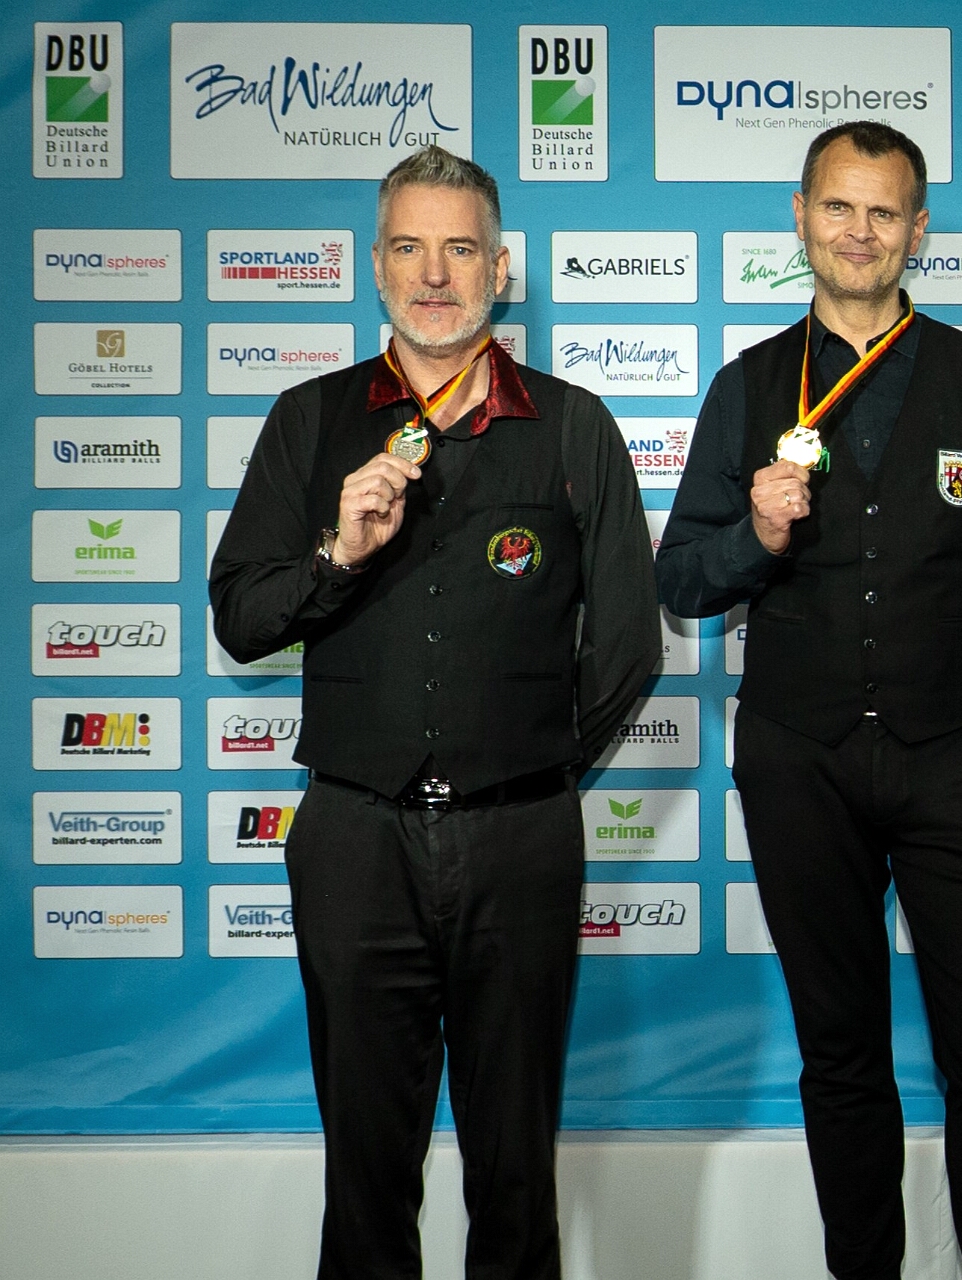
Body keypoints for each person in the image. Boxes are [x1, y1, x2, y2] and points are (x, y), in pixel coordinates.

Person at [657, 121, 962, 1280]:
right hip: (797, 762)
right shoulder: (747, 384)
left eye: (885, 211)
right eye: (839, 207)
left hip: (958, 757)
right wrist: (754, 536)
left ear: (919, 229)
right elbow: (682, 580)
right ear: (801, 217)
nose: (860, 231)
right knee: (840, 1054)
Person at [210, 146, 659, 1280]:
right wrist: (337, 554)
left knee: (516, 1176)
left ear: (500, 270)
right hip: (354, 841)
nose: (434, 273)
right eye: (409, 247)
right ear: (375, 265)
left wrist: (532, 768)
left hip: (521, 839)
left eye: (461, 248)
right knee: (366, 1178)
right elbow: (241, 618)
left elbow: (628, 648)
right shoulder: (310, 420)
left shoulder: (573, 425)